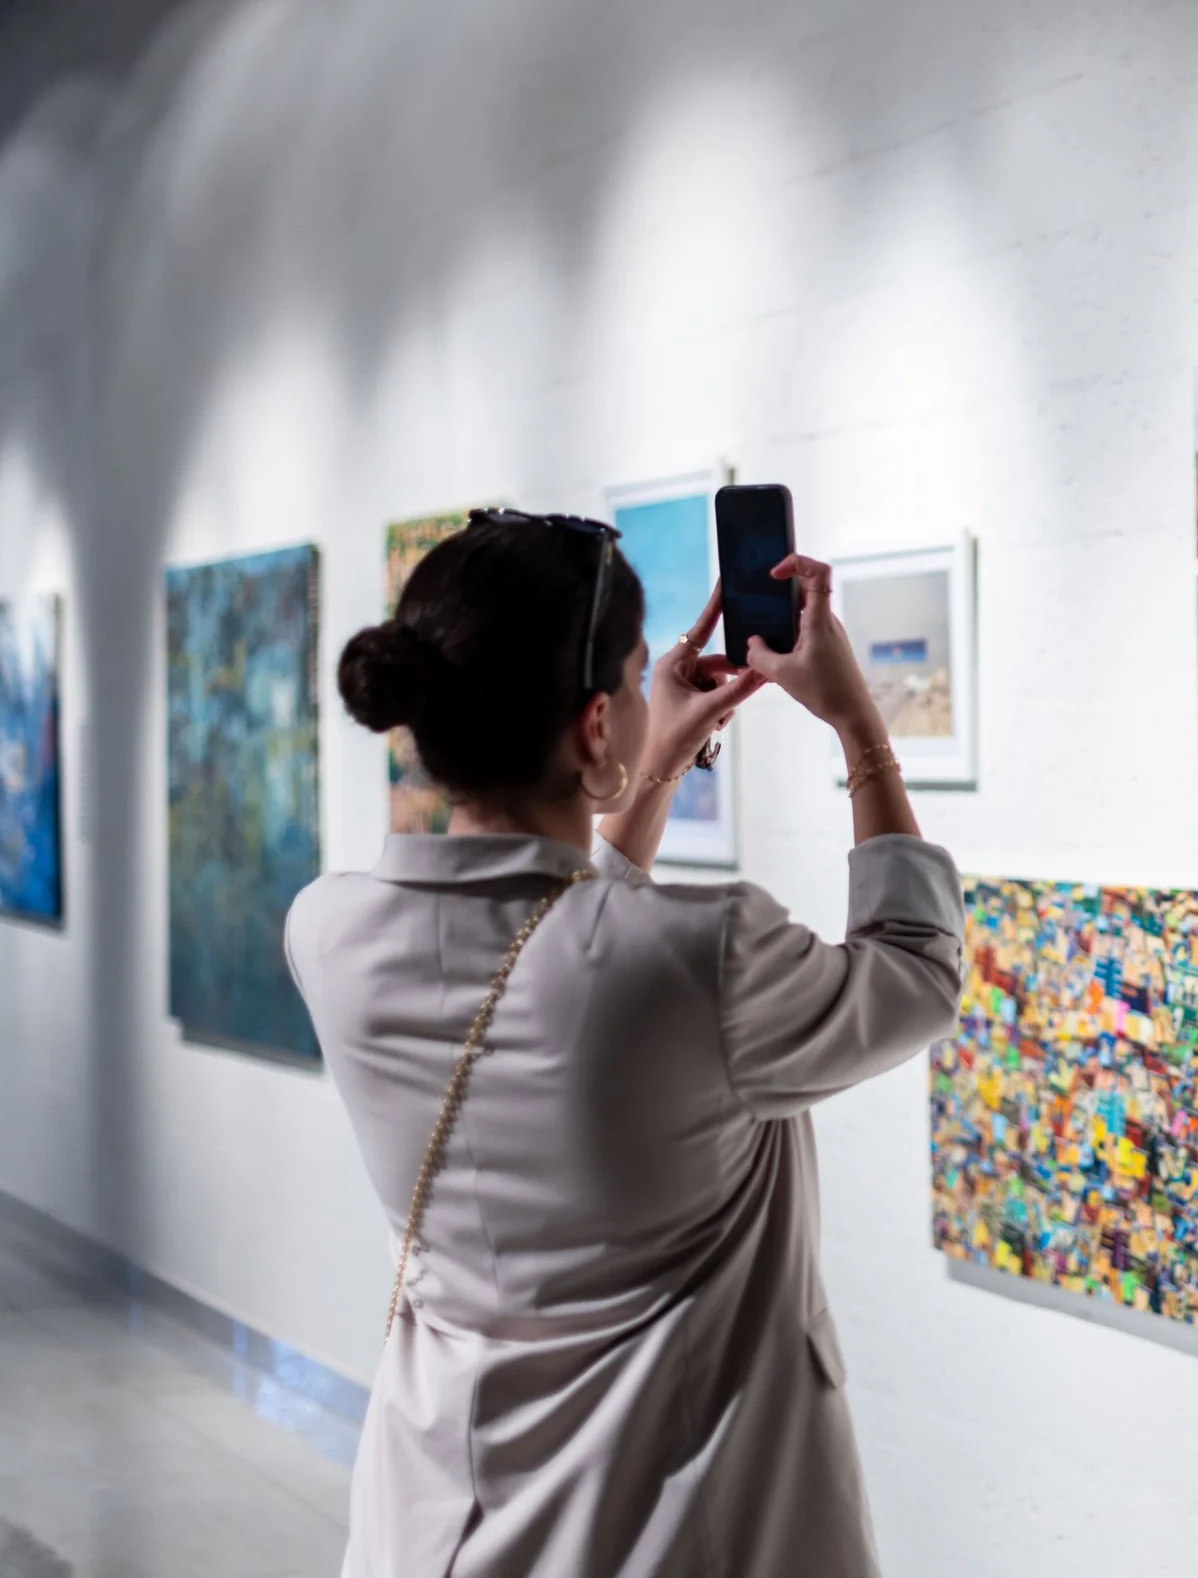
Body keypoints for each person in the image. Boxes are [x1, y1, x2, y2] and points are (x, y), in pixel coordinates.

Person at [286, 510, 962, 1577]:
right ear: (596, 722)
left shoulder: (326, 932)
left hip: (443, 1520)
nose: (656, 696)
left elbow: (556, 955)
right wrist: (852, 720)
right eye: (641, 677)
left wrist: (652, 758)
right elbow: (917, 972)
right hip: (670, 1531)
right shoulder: (710, 954)